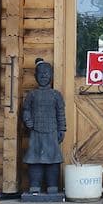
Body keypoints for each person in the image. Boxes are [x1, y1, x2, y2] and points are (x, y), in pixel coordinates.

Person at [21, 59, 65, 195]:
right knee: (35, 160)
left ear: (51, 76)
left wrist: (62, 129)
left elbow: (60, 113)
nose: (44, 76)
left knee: (53, 160)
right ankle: (35, 186)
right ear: (35, 76)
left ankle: (52, 186)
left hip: (52, 132)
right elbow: (26, 110)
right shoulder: (32, 95)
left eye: (47, 73)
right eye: (41, 74)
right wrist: (27, 120)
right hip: (36, 133)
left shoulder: (56, 95)